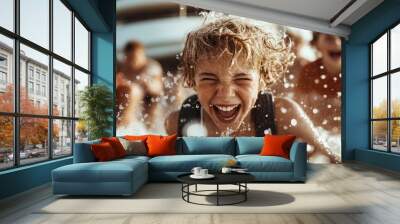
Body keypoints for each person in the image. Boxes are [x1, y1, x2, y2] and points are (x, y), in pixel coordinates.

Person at [164, 17, 340, 162]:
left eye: (242, 79)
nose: (226, 94)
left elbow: (333, 158)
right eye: (209, 79)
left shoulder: (282, 114)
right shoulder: (178, 122)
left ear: (263, 80)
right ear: (191, 80)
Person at [294, 33, 342, 133]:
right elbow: (297, 110)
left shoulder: (355, 71)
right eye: (330, 38)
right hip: (319, 131)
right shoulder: (310, 71)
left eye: (342, 38)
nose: (338, 43)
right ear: (316, 45)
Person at [116, 41, 164, 131]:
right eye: (129, 59)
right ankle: (122, 125)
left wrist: (148, 83)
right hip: (131, 98)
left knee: (134, 91)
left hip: (149, 99)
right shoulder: (122, 66)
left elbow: (158, 88)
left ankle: (125, 125)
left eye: (135, 58)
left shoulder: (151, 67)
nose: (132, 62)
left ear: (142, 55)